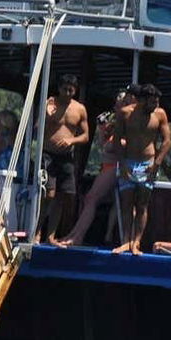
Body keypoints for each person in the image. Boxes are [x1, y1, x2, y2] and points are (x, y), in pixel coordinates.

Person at [58, 86, 135, 247]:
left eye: (119, 103)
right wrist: (101, 130)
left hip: (115, 165)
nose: (116, 106)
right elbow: (102, 144)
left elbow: (126, 145)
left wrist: (114, 141)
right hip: (106, 164)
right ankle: (74, 233)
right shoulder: (115, 121)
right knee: (89, 199)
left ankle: (77, 237)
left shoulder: (129, 122)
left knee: (92, 198)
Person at [111, 84, 171, 255]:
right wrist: (122, 164)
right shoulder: (125, 113)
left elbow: (167, 141)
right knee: (126, 204)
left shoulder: (160, 114)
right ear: (141, 100)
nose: (155, 105)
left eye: (157, 102)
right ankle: (125, 242)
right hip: (128, 162)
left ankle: (136, 242)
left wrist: (157, 163)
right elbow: (116, 140)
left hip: (148, 164)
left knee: (142, 205)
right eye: (152, 102)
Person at [40, 75, 89, 245]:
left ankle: (50, 236)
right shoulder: (50, 103)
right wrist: (47, 116)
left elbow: (85, 136)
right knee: (49, 195)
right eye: (65, 89)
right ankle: (37, 232)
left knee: (62, 196)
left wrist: (71, 140)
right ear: (59, 88)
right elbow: (36, 129)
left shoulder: (79, 109)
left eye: (71, 90)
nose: (68, 93)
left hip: (66, 157)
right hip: (48, 154)